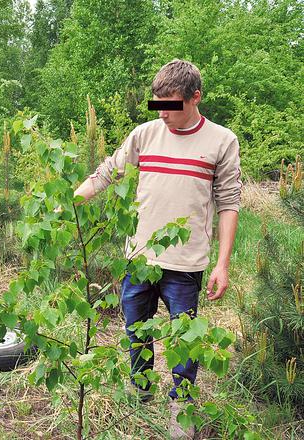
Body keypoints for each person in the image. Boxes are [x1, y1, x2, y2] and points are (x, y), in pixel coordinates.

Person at [73, 59, 242, 440]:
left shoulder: (221, 141)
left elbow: (229, 204)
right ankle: (142, 388)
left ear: (195, 97)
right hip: (139, 257)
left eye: (171, 105)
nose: (163, 113)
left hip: (186, 263)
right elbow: (106, 172)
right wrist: (70, 202)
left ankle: (181, 403)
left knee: (185, 340)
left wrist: (223, 264)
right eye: (157, 104)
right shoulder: (145, 134)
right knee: (135, 329)